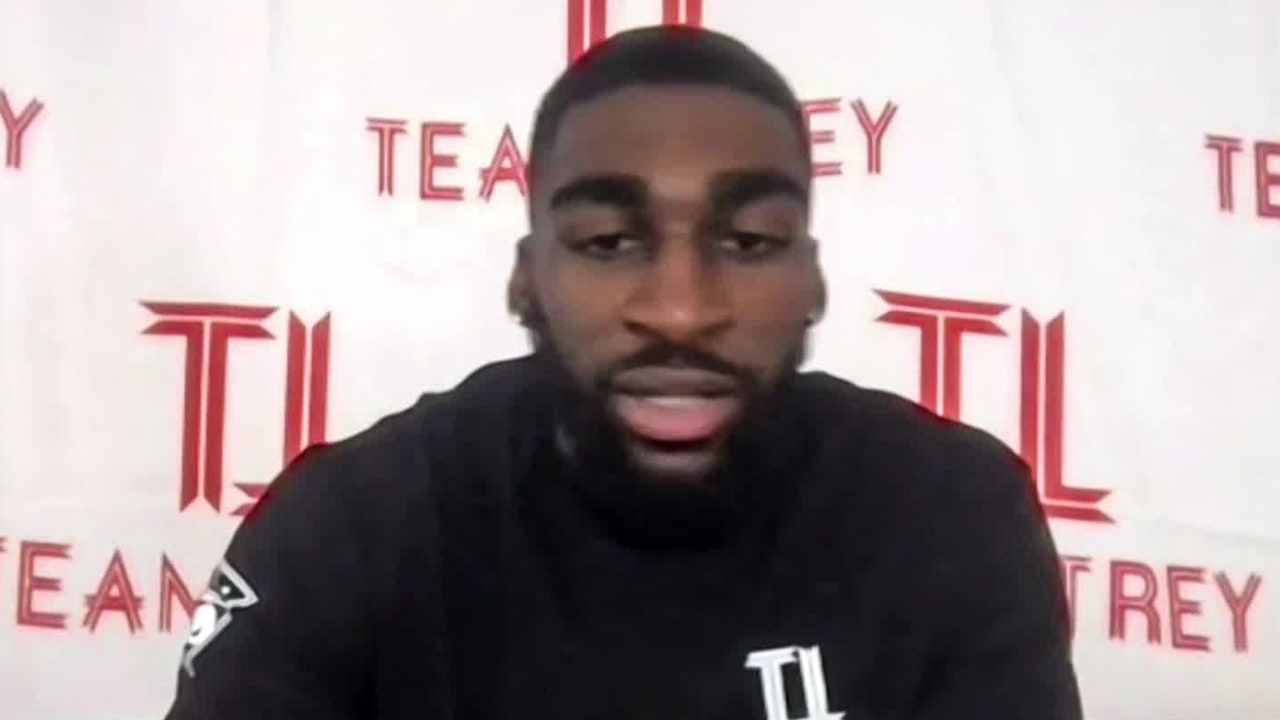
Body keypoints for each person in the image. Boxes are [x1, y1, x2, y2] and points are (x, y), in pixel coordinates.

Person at [164, 25, 1082, 720]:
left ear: (811, 277)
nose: (680, 309)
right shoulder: (363, 522)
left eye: (749, 241)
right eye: (608, 243)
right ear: (528, 278)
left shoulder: (949, 514)